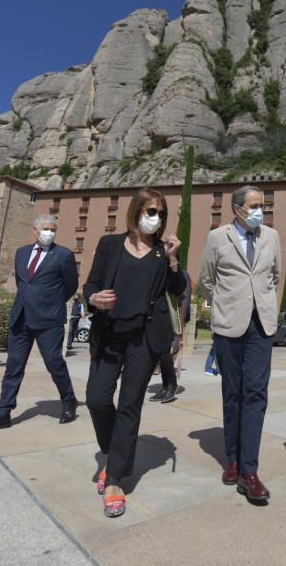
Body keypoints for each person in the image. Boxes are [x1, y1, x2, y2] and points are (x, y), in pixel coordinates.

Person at [83, 189, 185, 518]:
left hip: (144, 339)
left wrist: (173, 259)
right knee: (97, 398)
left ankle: (114, 478)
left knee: (129, 404)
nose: (155, 217)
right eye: (150, 210)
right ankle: (115, 452)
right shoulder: (109, 244)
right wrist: (94, 298)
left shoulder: (162, 252)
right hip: (109, 334)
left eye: (160, 213)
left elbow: (179, 289)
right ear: (136, 211)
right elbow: (90, 284)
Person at [199, 185, 280, 502]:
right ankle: (232, 458)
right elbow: (207, 280)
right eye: (255, 205)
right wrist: (225, 303)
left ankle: (249, 471)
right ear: (237, 209)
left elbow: (275, 276)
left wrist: (261, 302)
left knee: (256, 393)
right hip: (229, 326)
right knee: (233, 394)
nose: (261, 210)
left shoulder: (271, 236)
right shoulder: (217, 237)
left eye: (263, 205)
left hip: (262, 326)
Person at [0, 215, 79, 434]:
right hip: (21, 318)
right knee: (14, 366)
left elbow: (70, 286)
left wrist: (50, 302)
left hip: (48, 319)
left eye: (53, 230)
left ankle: (69, 400)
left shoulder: (64, 255)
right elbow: (24, 283)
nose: (49, 233)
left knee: (54, 362)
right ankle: (3, 412)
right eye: (45, 228)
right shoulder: (21, 253)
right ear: (35, 230)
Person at [150, 274, 192, 404]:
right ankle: (165, 386)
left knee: (165, 353)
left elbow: (184, 302)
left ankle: (171, 385)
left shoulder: (182, 275)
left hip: (172, 321)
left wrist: (180, 325)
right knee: (160, 353)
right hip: (156, 318)